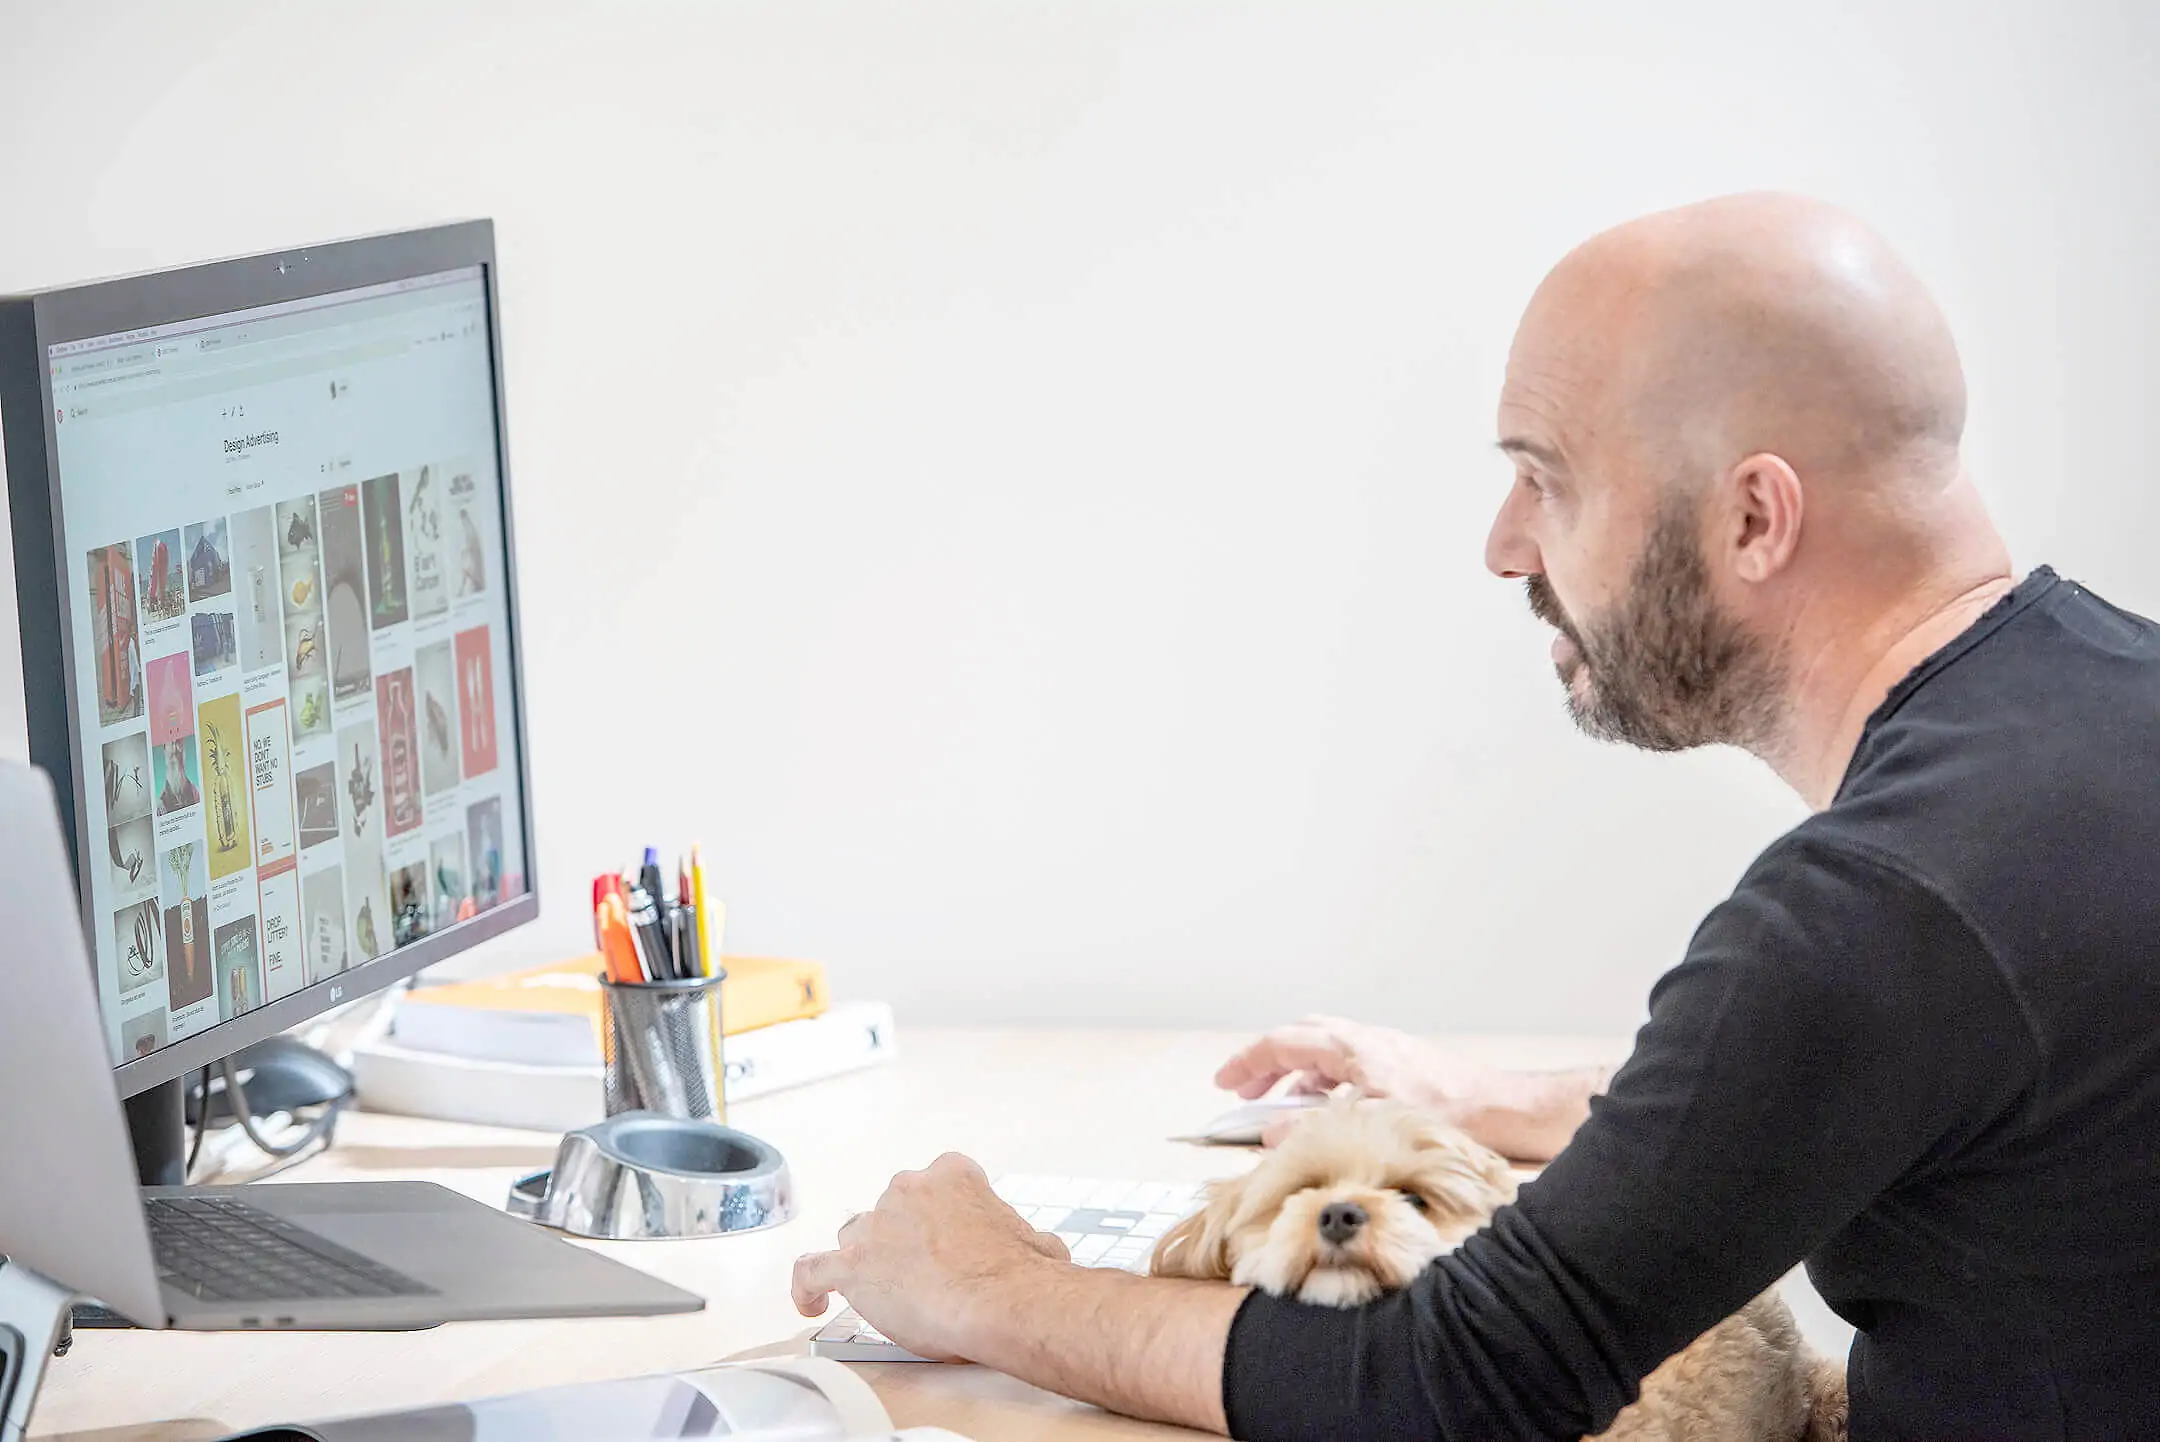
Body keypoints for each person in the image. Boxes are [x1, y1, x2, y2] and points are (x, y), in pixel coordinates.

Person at [791, 193, 2160, 1440]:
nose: (1505, 543)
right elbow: (1888, 1074)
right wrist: (1487, 1101)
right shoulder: (2104, 717)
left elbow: (1452, 1386)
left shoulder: (1878, 904)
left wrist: (995, 1284)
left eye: (1546, 475)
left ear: (1755, 517)